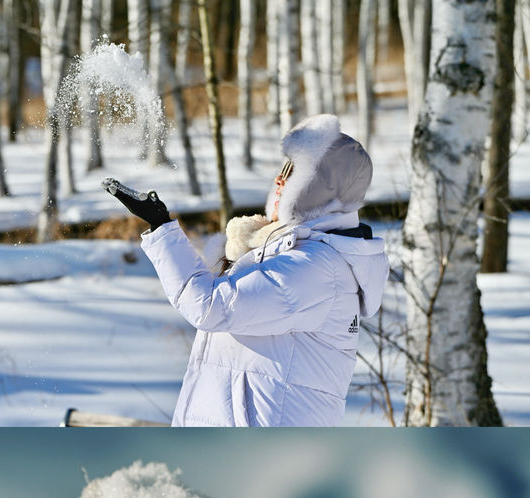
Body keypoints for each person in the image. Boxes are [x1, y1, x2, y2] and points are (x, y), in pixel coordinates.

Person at [105, 114, 389, 427]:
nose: (280, 181)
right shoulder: (292, 253)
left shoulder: (316, 269)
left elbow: (209, 306)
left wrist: (161, 227)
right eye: (283, 169)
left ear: (320, 186)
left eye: (293, 172)